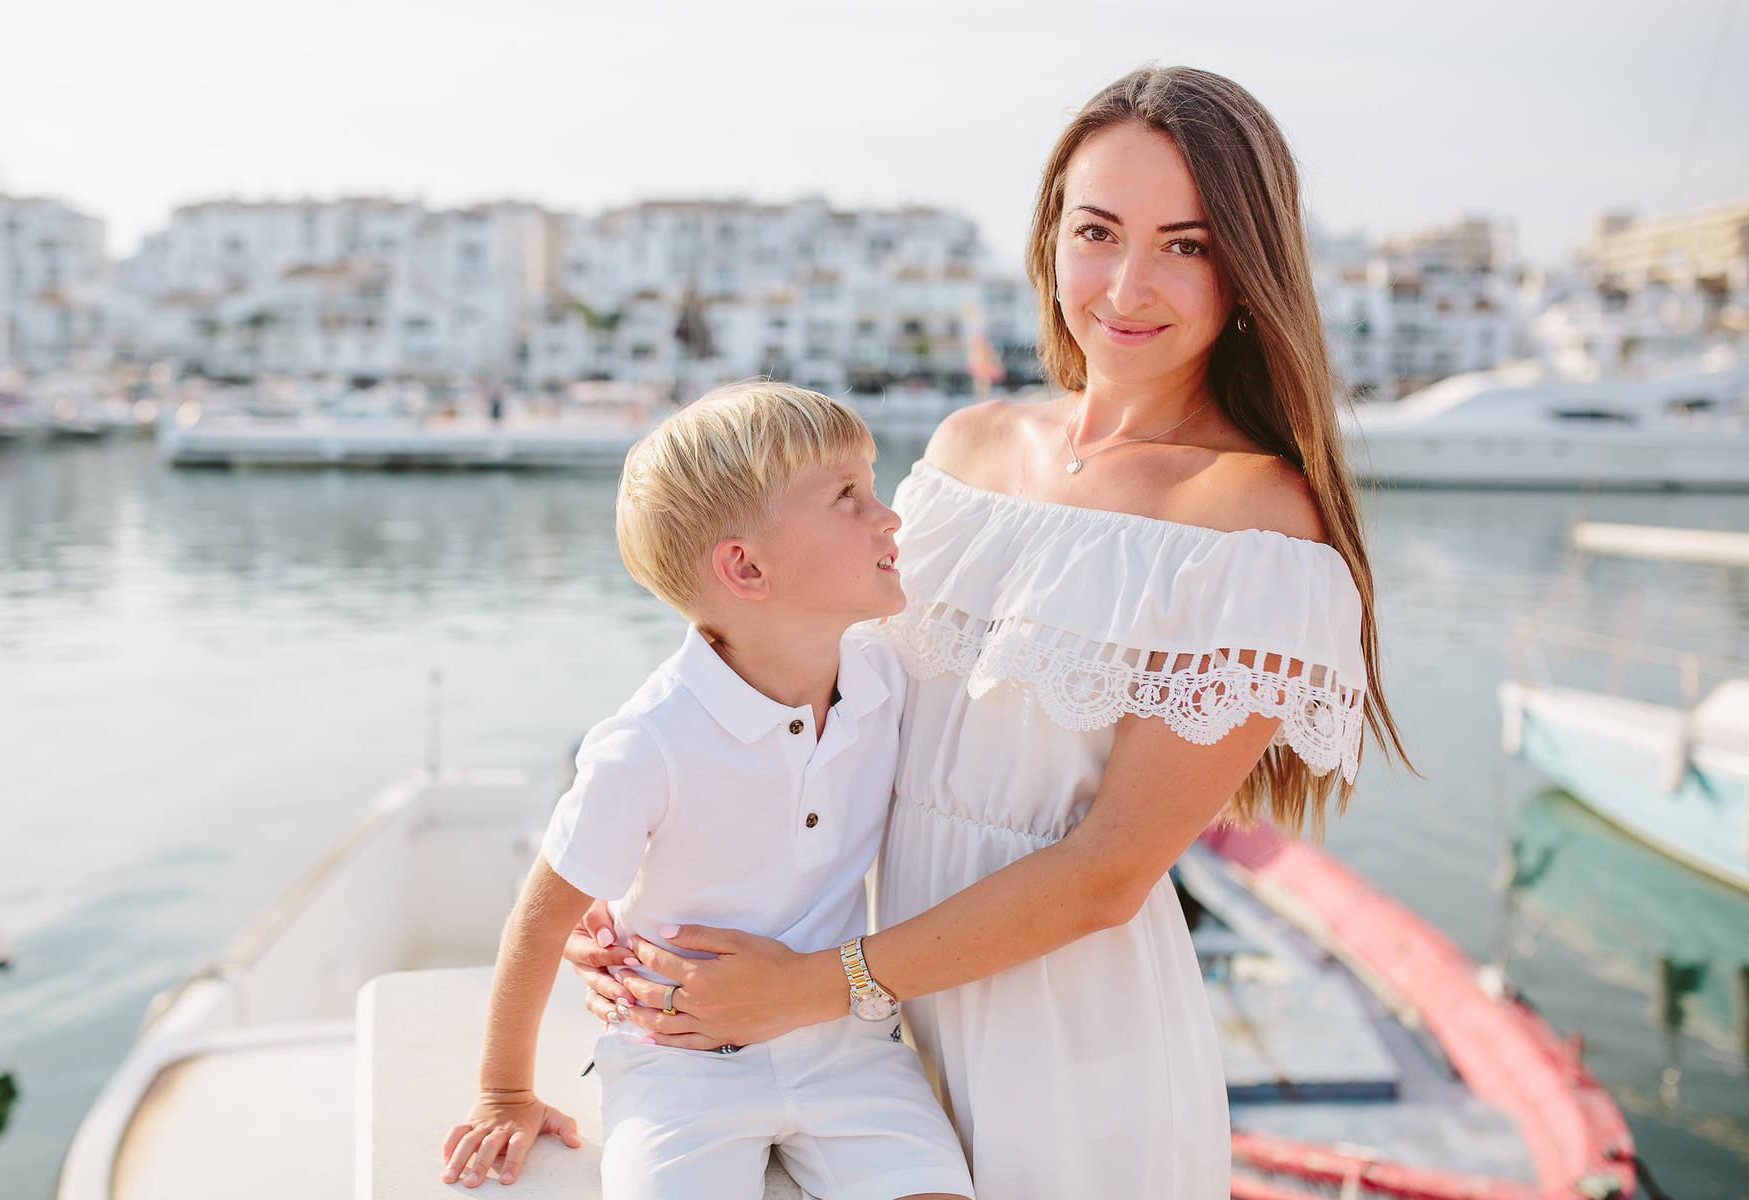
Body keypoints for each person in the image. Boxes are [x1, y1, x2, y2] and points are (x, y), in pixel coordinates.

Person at [567, 64, 1410, 1198]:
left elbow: (1108, 873)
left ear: (1249, 267)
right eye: (1097, 230)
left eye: (1187, 245)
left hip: (1060, 1035)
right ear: (1049, 235)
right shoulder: (969, 447)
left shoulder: (1250, 521)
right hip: (861, 1027)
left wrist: (813, 985)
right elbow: (815, 694)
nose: (1125, 284)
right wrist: (636, 905)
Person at [438, 382, 974, 1200]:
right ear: (746, 567)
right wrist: (505, 1091)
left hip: (850, 1050)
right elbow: (540, 922)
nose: (888, 517)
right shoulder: (646, 746)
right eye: (847, 497)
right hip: (677, 1064)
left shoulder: (886, 678)